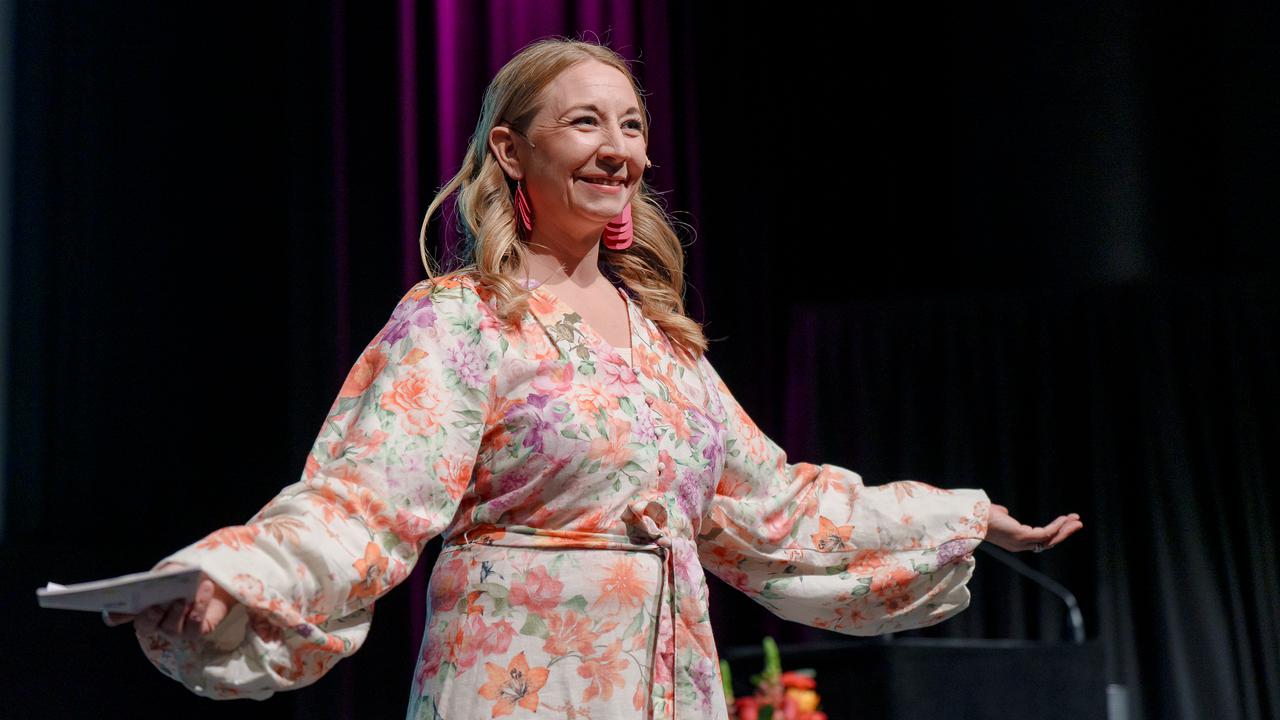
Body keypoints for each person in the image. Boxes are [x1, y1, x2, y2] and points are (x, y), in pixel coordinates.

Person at [106, 37, 1083, 719]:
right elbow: (362, 502)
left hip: (669, 683)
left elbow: (778, 509)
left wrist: (958, 515)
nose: (619, 150)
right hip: (518, 685)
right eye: (585, 123)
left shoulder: (666, 347)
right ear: (510, 150)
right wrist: (238, 574)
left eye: (631, 126)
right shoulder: (462, 319)